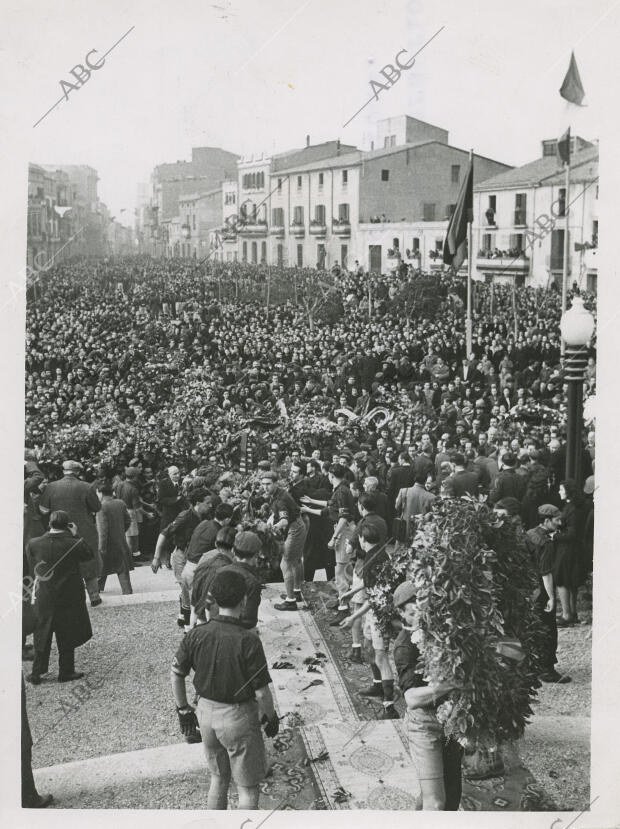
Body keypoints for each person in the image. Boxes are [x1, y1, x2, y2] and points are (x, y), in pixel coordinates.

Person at [170, 569, 279, 810]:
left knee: (218, 779)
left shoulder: (196, 634)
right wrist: (271, 717)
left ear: (214, 599)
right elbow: (261, 692)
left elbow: (176, 674)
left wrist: (183, 709)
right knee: (247, 789)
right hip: (238, 717)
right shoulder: (248, 640)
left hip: (205, 714)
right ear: (243, 600)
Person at [392, 580, 463, 810]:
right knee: (436, 803)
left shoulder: (437, 632)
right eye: (413, 612)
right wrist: (449, 685)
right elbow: (411, 698)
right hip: (424, 725)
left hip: (450, 720)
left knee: (450, 795)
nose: (420, 616)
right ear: (402, 614)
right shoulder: (405, 646)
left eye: (424, 609)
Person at [26, 510, 94, 684]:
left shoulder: (33, 543)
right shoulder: (74, 543)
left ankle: (37, 672)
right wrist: (76, 534)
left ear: (49, 524)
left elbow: (32, 563)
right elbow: (89, 554)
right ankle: (66, 671)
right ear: (67, 526)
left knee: (42, 632)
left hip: (44, 593)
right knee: (67, 633)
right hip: (68, 594)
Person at [340, 524, 397, 719]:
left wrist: (353, 617)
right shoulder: (379, 554)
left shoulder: (372, 560)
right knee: (369, 646)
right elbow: (369, 582)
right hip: (375, 610)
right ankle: (378, 685)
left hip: (379, 614)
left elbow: (373, 599)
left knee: (381, 656)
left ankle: (389, 705)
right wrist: (351, 592)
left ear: (364, 540)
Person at [38, 459, 102, 606]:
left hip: (58, 530)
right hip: (84, 531)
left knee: (61, 562)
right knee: (87, 562)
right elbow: (97, 508)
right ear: (78, 472)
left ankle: (64, 599)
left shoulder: (51, 487)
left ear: (63, 471)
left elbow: (43, 510)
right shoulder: (86, 487)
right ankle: (94, 597)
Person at [301, 463, 355, 623]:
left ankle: (344, 609)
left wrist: (334, 537)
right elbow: (330, 506)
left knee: (341, 570)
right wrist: (312, 502)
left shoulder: (342, 491)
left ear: (331, 476)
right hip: (341, 529)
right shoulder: (340, 490)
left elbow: (343, 517)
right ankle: (341, 599)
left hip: (343, 531)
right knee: (340, 569)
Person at [152, 487, 212, 627]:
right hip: (181, 557)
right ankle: (187, 623)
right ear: (198, 503)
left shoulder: (206, 516)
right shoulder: (184, 516)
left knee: (191, 589)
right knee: (188, 591)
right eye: (207, 503)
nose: (211, 505)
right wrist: (156, 557)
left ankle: (183, 617)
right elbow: (164, 534)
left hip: (196, 557)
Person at [525, 504, 571, 683]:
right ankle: (547, 670)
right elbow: (546, 573)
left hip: (529, 588)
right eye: (557, 520)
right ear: (546, 521)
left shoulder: (530, 534)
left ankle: (533, 666)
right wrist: (552, 597)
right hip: (541, 590)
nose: (559, 524)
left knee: (534, 627)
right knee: (549, 629)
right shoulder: (546, 543)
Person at [260, 472, 308, 611]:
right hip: (299, 524)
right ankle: (297, 592)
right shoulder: (279, 493)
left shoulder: (280, 499)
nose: (265, 487)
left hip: (294, 528)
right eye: (263, 484)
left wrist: (271, 528)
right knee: (297, 560)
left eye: (268, 484)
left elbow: (284, 520)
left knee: (285, 563)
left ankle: (290, 600)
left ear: (276, 483)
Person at [217, 531, 263, 630]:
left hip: (217, 626)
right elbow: (249, 622)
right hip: (238, 632)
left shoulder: (220, 571)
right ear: (256, 555)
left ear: (233, 551)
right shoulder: (252, 582)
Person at [96, 481, 133, 594]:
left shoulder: (101, 507)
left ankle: (98, 588)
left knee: (102, 568)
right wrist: (120, 531)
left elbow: (103, 530)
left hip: (107, 545)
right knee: (122, 570)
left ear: (100, 493)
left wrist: (101, 548)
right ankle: (127, 592)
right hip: (120, 542)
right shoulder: (120, 503)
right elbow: (128, 521)